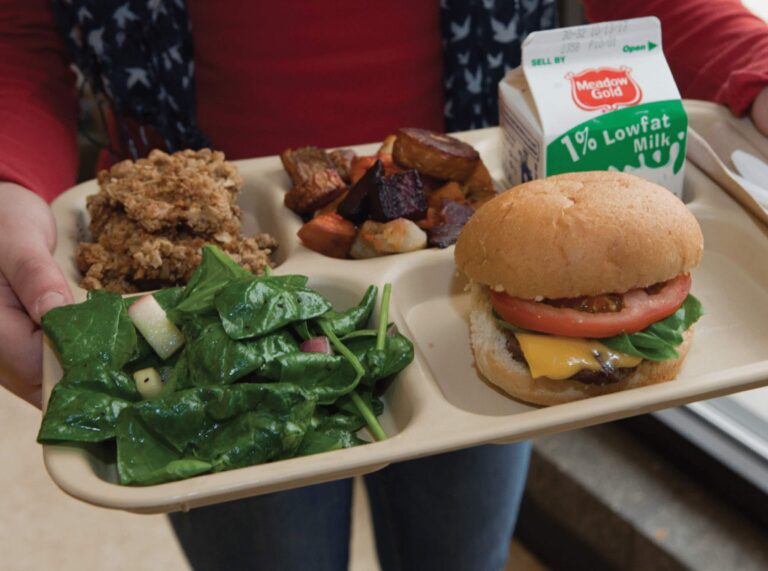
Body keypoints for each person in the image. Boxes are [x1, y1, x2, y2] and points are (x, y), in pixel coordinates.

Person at [1, 1, 767, 569]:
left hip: (483, 237)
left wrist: (755, 68)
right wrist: (9, 178)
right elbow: (20, 35)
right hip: (201, 296)